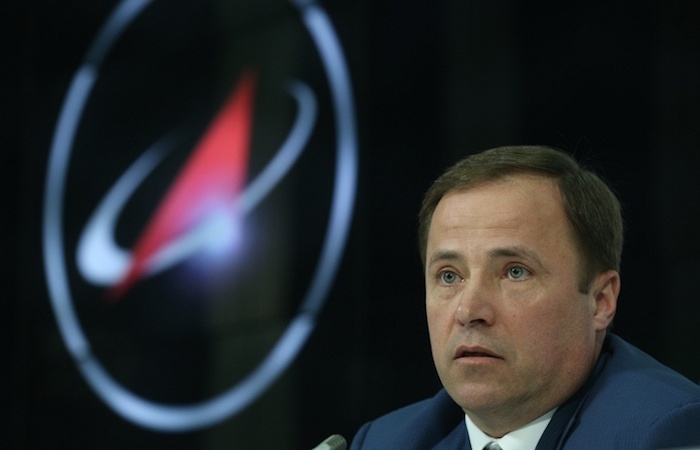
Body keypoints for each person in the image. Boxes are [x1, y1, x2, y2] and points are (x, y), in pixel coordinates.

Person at [350, 146, 700, 450]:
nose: (469, 310)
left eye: (515, 272)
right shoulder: (386, 441)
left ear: (600, 301)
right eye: (449, 276)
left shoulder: (665, 432)